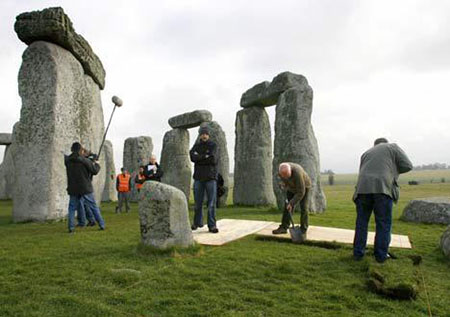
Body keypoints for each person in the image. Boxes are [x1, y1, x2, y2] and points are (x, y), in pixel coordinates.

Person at [353, 138, 413, 263]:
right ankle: (380, 255)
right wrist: (392, 170)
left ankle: (358, 254)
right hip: (382, 188)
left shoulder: (366, 153)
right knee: (383, 223)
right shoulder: (392, 147)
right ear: (385, 142)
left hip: (362, 189)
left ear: (375, 145)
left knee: (361, 223)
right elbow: (408, 165)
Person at [65, 142, 105, 233]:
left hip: (73, 188)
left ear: (72, 149)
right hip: (85, 187)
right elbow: (94, 171)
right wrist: (97, 163)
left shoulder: (67, 161)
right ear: (80, 150)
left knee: (71, 208)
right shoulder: (85, 161)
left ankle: (71, 227)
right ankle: (101, 224)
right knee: (93, 207)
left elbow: (72, 158)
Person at [189, 126, 219, 233]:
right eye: (202, 134)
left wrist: (199, 157)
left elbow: (213, 159)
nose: (204, 135)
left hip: (210, 177)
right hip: (198, 177)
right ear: (200, 135)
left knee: (211, 203)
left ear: (208, 135)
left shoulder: (213, 145)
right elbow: (192, 157)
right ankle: (197, 223)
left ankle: (212, 225)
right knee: (198, 202)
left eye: (205, 134)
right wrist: (205, 156)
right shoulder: (196, 146)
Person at [272, 162, 311, 235]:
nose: (286, 177)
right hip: (291, 188)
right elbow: (284, 181)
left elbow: (301, 192)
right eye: (284, 176)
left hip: (304, 187)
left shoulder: (297, 173)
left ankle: (303, 229)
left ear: (290, 171)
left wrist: (292, 203)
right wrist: (284, 185)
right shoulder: (281, 172)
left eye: (287, 175)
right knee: (287, 207)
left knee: (304, 208)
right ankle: (284, 227)